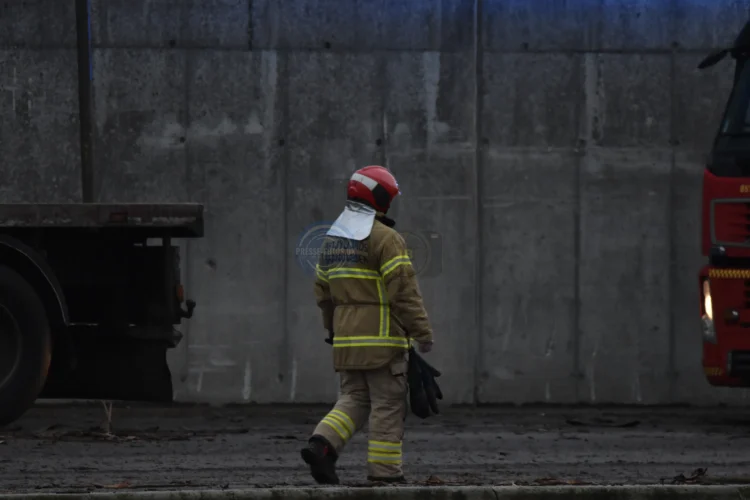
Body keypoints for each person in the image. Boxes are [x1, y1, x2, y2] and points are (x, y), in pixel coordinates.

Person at [300, 165, 434, 485]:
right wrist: (422, 332)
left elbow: (323, 293)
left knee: (354, 398)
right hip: (383, 343)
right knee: (387, 404)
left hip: (347, 342)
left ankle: (322, 445)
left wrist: (333, 330)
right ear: (381, 199)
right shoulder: (386, 238)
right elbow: (403, 292)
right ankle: (385, 475)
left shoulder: (332, 240)